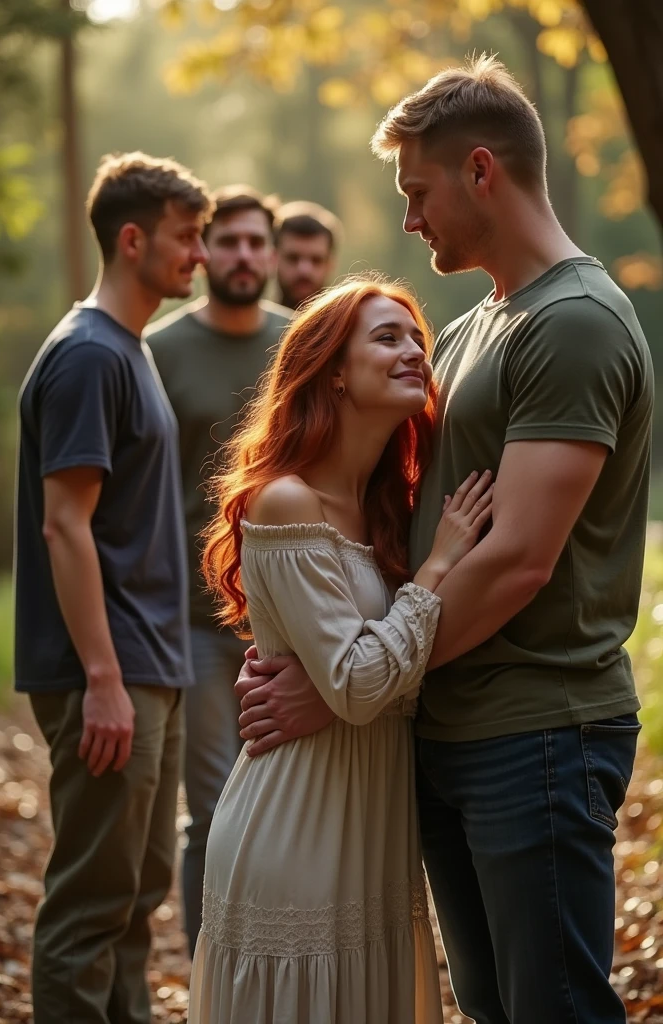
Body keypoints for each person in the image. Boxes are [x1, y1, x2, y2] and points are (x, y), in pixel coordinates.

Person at [233, 56, 654, 1024]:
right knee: (492, 1006)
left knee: (553, 1007)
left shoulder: (575, 323)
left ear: (479, 171)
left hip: (536, 729)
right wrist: (326, 655)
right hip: (448, 727)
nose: (410, 219)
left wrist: (352, 689)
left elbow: (516, 557)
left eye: (417, 192)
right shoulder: (470, 330)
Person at [188, 275, 493, 1023]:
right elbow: (361, 684)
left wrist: (338, 690)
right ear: (331, 370)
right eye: (387, 337)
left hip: (375, 827)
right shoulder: (288, 501)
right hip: (298, 826)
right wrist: (435, 569)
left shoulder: (393, 505)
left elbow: (384, 679)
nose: (413, 351)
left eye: (417, 338)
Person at [14, 151, 211, 1024]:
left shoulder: (126, 351)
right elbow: (65, 524)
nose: (198, 256)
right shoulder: (90, 357)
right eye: (186, 237)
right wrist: (100, 676)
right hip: (112, 668)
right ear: (131, 240)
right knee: (92, 904)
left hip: (150, 665)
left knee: (136, 893)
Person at [147, 185, 292, 955]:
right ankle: (212, 971)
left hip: (299, 621)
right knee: (214, 807)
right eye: (226, 241)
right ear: (204, 252)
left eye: (254, 243)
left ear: (271, 254)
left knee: (294, 803)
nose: (241, 256)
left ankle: (278, 960)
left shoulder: (303, 341)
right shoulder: (161, 350)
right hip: (202, 627)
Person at [275, 199, 342, 309]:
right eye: (293, 258)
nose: (304, 270)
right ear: (273, 258)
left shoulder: (350, 325)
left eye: (316, 260)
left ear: (330, 264)